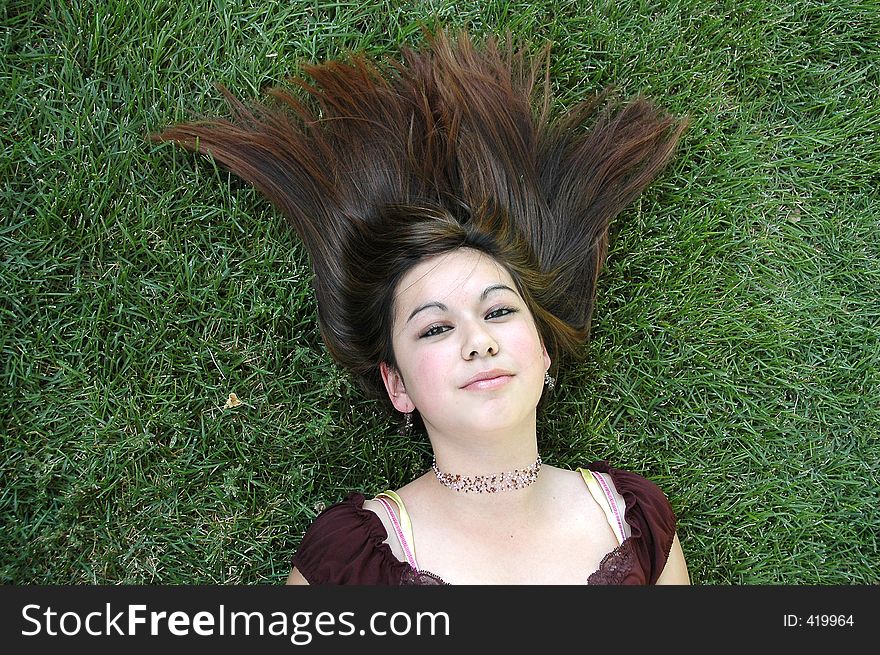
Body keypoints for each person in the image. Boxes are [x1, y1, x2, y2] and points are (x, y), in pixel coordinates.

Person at [153, 29, 690, 584]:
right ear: (397, 386)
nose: (478, 341)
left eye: (500, 311)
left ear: (545, 351)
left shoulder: (635, 520)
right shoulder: (351, 560)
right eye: (434, 328)